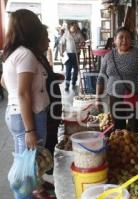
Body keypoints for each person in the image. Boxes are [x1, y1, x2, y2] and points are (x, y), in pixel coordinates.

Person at [1, 9, 50, 199]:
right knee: (26, 170)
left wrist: (14, 96)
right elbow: (23, 93)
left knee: (25, 163)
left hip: (17, 114)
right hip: (27, 117)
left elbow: (4, 82)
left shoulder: (13, 53)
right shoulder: (26, 55)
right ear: (30, 29)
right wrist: (30, 130)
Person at [96, 27, 138, 132]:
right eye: (121, 37)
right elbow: (101, 77)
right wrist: (97, 98)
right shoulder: (108, 56)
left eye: (128, 38)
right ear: (115, 40)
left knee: (136, 128)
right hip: (114, 98)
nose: (124, 40)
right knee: (118, 129)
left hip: (134, 96)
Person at [36, 25, 64, 175]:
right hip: (45, 108)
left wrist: (54, 77)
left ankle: (47, 172)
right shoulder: (31, 58)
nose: (48, 40)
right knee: (46, 141)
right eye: (45, 37)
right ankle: (45, 174)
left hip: (51, 106)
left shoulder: (40, 56)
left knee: (51, 137)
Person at [60, 21, 84, 92]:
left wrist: (81, 44)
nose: (75, 27)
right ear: (70, 27)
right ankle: (67, 85)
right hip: (68, 54)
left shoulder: (78, 33)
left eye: (76, 26)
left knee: (76, 69)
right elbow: (62, 43)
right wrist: (61, 52)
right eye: (73, 26)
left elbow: (83, 41)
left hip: (76, 54)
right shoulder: (66, 34)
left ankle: (73, 82)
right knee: (68, 70)